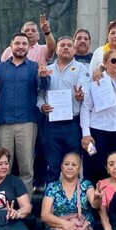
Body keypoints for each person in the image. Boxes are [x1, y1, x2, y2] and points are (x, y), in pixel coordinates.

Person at [0, 33, 48, 195]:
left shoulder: (34, 67)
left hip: (27, 122)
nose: (21, 46)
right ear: (11, 46)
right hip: (4, 123)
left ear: (29, 47)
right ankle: (1, 205)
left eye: (24, 43)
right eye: (17, 43)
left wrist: (43, 77)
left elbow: (43, 88)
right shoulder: (1, 68)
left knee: (26, 168)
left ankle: (24, 207)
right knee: (2, 167)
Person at [40, 152, 100, 230]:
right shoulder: (52, 187)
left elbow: (95, 204)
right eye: (66, 164)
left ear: (79, 168)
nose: (70, 167)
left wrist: (97, 197)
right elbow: (44, 215)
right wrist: (66, 224)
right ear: (61, 166)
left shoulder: (86, 185)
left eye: (74, 164)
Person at [38, 36, 90, 184]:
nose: (66, 48)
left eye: (69, 45)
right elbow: (40, 94)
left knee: (73, 163)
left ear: (74, 50)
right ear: (56, 49)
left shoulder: (81, 68)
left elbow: (84, 90)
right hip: (52, 125)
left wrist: (81, 96)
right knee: (53, 165)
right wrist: (42, 106)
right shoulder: (46, 70)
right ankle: (50, 201)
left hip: (72, 124)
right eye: (62, 45)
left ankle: (74, 201)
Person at [80, 50, 116, 185]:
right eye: (113, 60)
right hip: (95, 134)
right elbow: (85, 109)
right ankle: (90, 203)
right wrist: (86, 134)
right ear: (105, 63)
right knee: (92, 166)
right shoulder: (96, 81)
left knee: (113, 169)